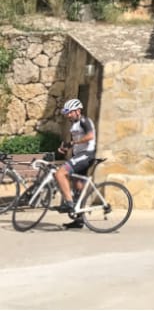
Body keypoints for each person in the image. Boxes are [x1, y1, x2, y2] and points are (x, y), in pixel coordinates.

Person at [55, 98, 96, 230]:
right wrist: (65, 148)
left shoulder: (84, 121)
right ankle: (79, 220)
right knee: (78, 187)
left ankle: (69, 203)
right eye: (67, 113)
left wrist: (74, 143)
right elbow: (74, 142)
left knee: (60, 173)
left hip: (86, 155)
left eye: (70, 112)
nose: (68, 115)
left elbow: (90, 136)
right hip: (78, 155)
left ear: (78, 111)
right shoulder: (74, 126)